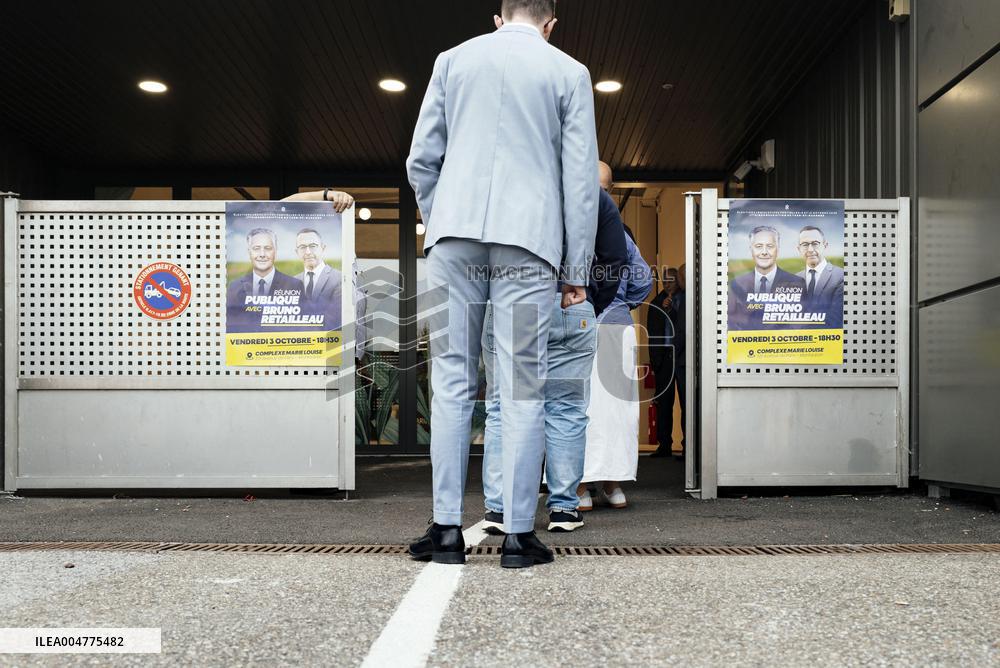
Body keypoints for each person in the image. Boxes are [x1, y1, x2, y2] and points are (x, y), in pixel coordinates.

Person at [405, 0, 599, 569]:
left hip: (454, 239)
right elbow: (580, 179)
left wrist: (441, 219)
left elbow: (422, 159)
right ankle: (518, 537)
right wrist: (576, 269)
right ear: (550, 23)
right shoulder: (569, 71)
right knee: (521, 387)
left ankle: (445, 531)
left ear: (498, 18)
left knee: (452, 381)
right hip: (528, 241)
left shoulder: (452, 60)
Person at [480, 164, 628, 535]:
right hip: (570, 304)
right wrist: (589, 301)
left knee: (503, 407)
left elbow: (479, 254)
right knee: (565, 409)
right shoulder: (594, 197)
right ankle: (564, 508)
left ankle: (500, 509)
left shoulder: (508, 183)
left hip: (511, 304)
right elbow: (614, 258)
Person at [577, 202, 652, 510]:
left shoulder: (564, 226)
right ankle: (613, 485)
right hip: (614, 324)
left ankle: (577, 487)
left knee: (575, 406)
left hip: (574, 319)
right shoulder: (618, 234)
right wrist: (618, 302)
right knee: (616, 408)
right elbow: (643, 280)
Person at [226, 228, 305, 332]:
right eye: (256, 248)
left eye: (267, 248)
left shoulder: (295, 285)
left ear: (275, 251)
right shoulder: (234, 287)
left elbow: (302, 328)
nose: (262, 254)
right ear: (249, 252)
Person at [727, 225, 805, 331]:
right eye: (758, 246)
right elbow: (732, 324)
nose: (764, 252)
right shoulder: (737, 283)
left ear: (778, 249)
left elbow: (801, 325)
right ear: (751, 249)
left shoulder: (797, 283)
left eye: (770, 246)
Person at [647, 267, 680, 457]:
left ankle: (687, 445)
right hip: (663, 357)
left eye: (671, 281)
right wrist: (655, 361)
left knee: (686, 402)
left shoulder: (686, 300)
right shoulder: (655, 303)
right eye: (665, 282)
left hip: (681, 355)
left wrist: (673, 309)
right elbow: (652, 334)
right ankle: (664, 444)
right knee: (664, 403)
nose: (668, 285)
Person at [294, 228, 343, 331]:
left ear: (323, 248)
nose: (308, 252)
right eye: (302, 247)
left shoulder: (339, 279)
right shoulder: (292, 282)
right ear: (297, 252)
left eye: (312, 246)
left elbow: (334, 320)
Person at [796, 225, 844, 327]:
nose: (810, 249)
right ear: (799, 249)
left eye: (815, 243)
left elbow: (836, 319)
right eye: (805, 244)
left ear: (825, 245)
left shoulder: (841, 277)